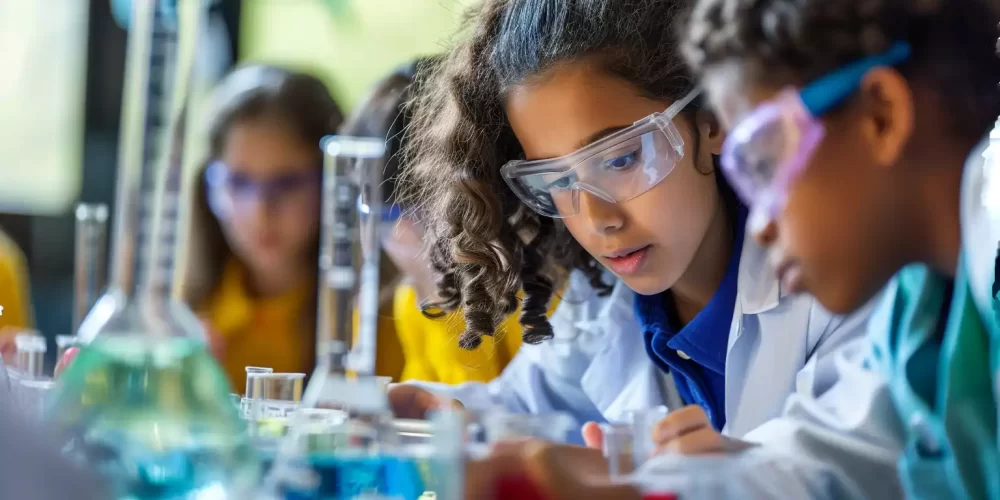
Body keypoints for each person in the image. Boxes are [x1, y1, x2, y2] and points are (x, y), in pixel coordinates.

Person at [459, 0, 1000, 498]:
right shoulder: (915, 306)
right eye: (556, 183)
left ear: (882, 115)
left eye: (762, 161)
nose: (760, 223)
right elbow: (834, 463)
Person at [393, 0, 871, 447]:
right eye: (557, 179)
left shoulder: (835, 276)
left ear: (712, 122)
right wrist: (429, 413)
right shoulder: (600, 305)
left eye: (621, 159)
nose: (597, 219)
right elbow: (521, 408)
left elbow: (845, 466)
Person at [181, 64, 404, 390]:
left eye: (287, 183)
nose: (260, 211)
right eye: (239, 182)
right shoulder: (182, 312)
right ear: (209, 186)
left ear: (335, 182)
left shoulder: (380, 314)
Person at [344, 59, 557, 384]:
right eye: (387, 216)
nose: (405, 235)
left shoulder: (538, 296)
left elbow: (501, 412)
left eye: (423, 210)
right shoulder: (411, 303)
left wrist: (446, 302)